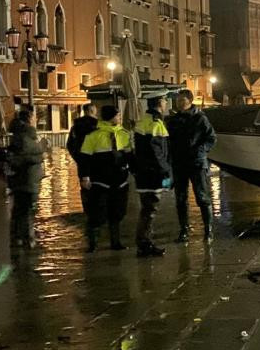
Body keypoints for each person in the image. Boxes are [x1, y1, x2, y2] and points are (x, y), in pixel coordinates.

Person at [78, 105, 133, 252]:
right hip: (100, 181)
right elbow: (84, 159)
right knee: (97, 213)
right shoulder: (93, 136)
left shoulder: (124, 134)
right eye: (118, 115)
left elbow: (129, 157)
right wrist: (85, 177)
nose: (120, 118)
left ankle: (115, 242)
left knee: (117, 213)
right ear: (111, 117)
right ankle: (93, 244)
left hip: (120, 180)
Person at [167, 89, 217, 243]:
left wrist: (200, 151)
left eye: (182, 100)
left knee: (202, 197)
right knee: (180, 198)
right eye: (178, 100)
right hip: (179, 163)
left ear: (190, 101)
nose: (179, 103)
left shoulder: (200, 118)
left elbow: (211, 138)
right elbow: (169, 142)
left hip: (196, 163)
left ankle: (208, 230)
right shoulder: (173, 120)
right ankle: (184, 230)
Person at [132, 96, 171, 257]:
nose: (166, 103)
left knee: (147, 209)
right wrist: (166, 171)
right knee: (150, 209)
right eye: (164, 100)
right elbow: (156, 152)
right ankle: (144, 244)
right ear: (159, 103)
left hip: (143, 173)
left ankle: (145, 243)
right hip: (152, 174)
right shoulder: (155, 123)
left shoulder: (144, 121)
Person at [7, 107, 46, 249]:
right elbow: (36, 154)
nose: (36, 120)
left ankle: (18, 237)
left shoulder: (17, 137)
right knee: (28, 210)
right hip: (29, 180)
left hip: (21, 180)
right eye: (34, 117)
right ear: (30, 118)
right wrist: (42, 148)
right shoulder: (28, 136)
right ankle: (28, 239)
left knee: (19, 209)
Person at [67, 103, 98, 210]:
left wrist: (78, 158)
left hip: (82, 163)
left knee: (85, 188)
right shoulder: (97, 126)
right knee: (98, 187)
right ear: (92, 111)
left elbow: (70, 145)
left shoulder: (75, 127)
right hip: (97, 162)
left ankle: (87, 210)